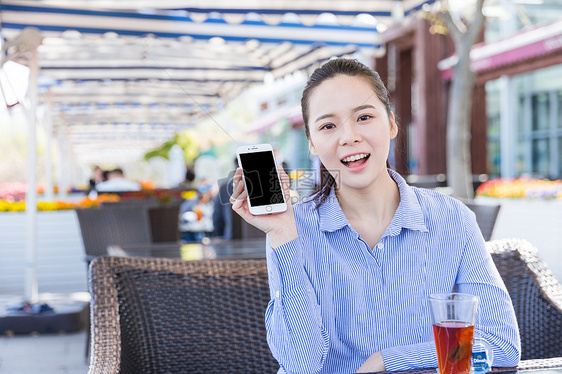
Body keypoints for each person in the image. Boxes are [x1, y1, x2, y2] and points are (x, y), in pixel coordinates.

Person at [230, 59, 520, 374]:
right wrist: (282, 235)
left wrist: (389, 360)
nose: (349, 136)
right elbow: (302, 365)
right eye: (328, 126)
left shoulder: (452, 220)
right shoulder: (291, 229)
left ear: (392, 124)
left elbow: (500, 345)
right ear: (312, 144)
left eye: (364, 117)